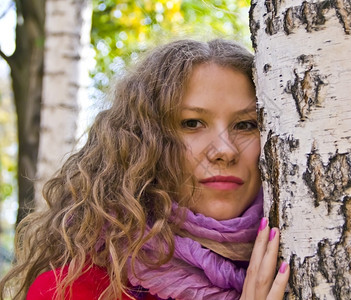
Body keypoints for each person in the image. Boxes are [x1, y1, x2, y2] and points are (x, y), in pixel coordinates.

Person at [0, 39, 289, 300]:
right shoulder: (72, 289)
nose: (225, 151)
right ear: (144, 142)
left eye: (246, 125)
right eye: (191, 123)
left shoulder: (295, 265)